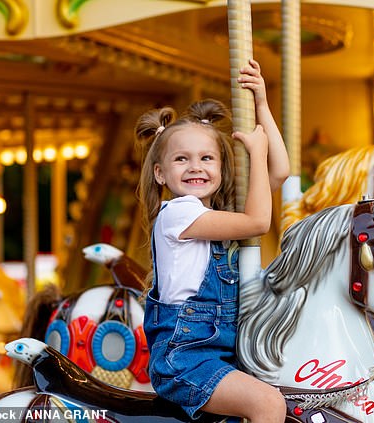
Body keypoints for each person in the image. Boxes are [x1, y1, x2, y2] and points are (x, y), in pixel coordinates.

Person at [136, 59, 289, 422]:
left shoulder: (218, 214)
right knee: (267, 404)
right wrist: (256, 151)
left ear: (221, 169)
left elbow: (279, 173)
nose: (195, 167)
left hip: (219, 353)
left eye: (207, 158)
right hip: (184, 358)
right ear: (160, 173)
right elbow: (258, 222)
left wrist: (262, 106)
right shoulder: (177, 214)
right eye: (181, 159)